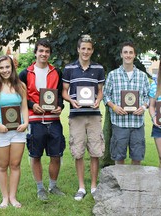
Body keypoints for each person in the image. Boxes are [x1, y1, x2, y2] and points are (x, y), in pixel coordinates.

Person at [19, 39, 65, 201]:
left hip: (54, 119)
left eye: (46, 51)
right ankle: (40, 188)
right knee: (35, 155)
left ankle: (53, 186)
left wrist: (60, 106)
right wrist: (32, 104)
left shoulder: (56, 72)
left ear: (50, 54)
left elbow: (59, 94)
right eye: (41, 51)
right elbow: (21, 96)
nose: (43, 54)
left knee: (56, 154)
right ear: (35, 53)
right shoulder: (25, 73)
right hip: (34, 120)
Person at [62, 34, 105, 200]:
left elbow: (100, 91)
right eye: (83, 48)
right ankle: (81, 187)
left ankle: (94, 187)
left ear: (92, 50)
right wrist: (71, 100)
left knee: (95, 151)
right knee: (78, 151)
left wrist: (98, 100)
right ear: (78, 49)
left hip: (94, 115)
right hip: (76, 116)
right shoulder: (69, 68)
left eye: (89, 49)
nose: (86, 51)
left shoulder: (99, 69)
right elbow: (64, 91)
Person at [0, 55, 28, 208]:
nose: (4, 70)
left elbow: (24, 107)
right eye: (1, 67)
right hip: (0, 132)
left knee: (15, 165)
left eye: (7, 67)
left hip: (18, 131)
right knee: (2, 166)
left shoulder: (21, 86)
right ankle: (4, 198)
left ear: (12, 67)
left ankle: (13, 197)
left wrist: (26, 123)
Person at [103, 41, 150, 165]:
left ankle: (133, 184)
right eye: (125, 52)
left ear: (135, 55)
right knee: (119, 158)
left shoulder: (142, 76)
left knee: (137, 158)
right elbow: (105, 95)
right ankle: (119, 184)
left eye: (130, 52)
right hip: (119, 123)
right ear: (121, 54)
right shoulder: (113, 75)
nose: (128, 55)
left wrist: (144, 107)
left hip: (137, 123)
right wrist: (114, 107)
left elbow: (149, 97)